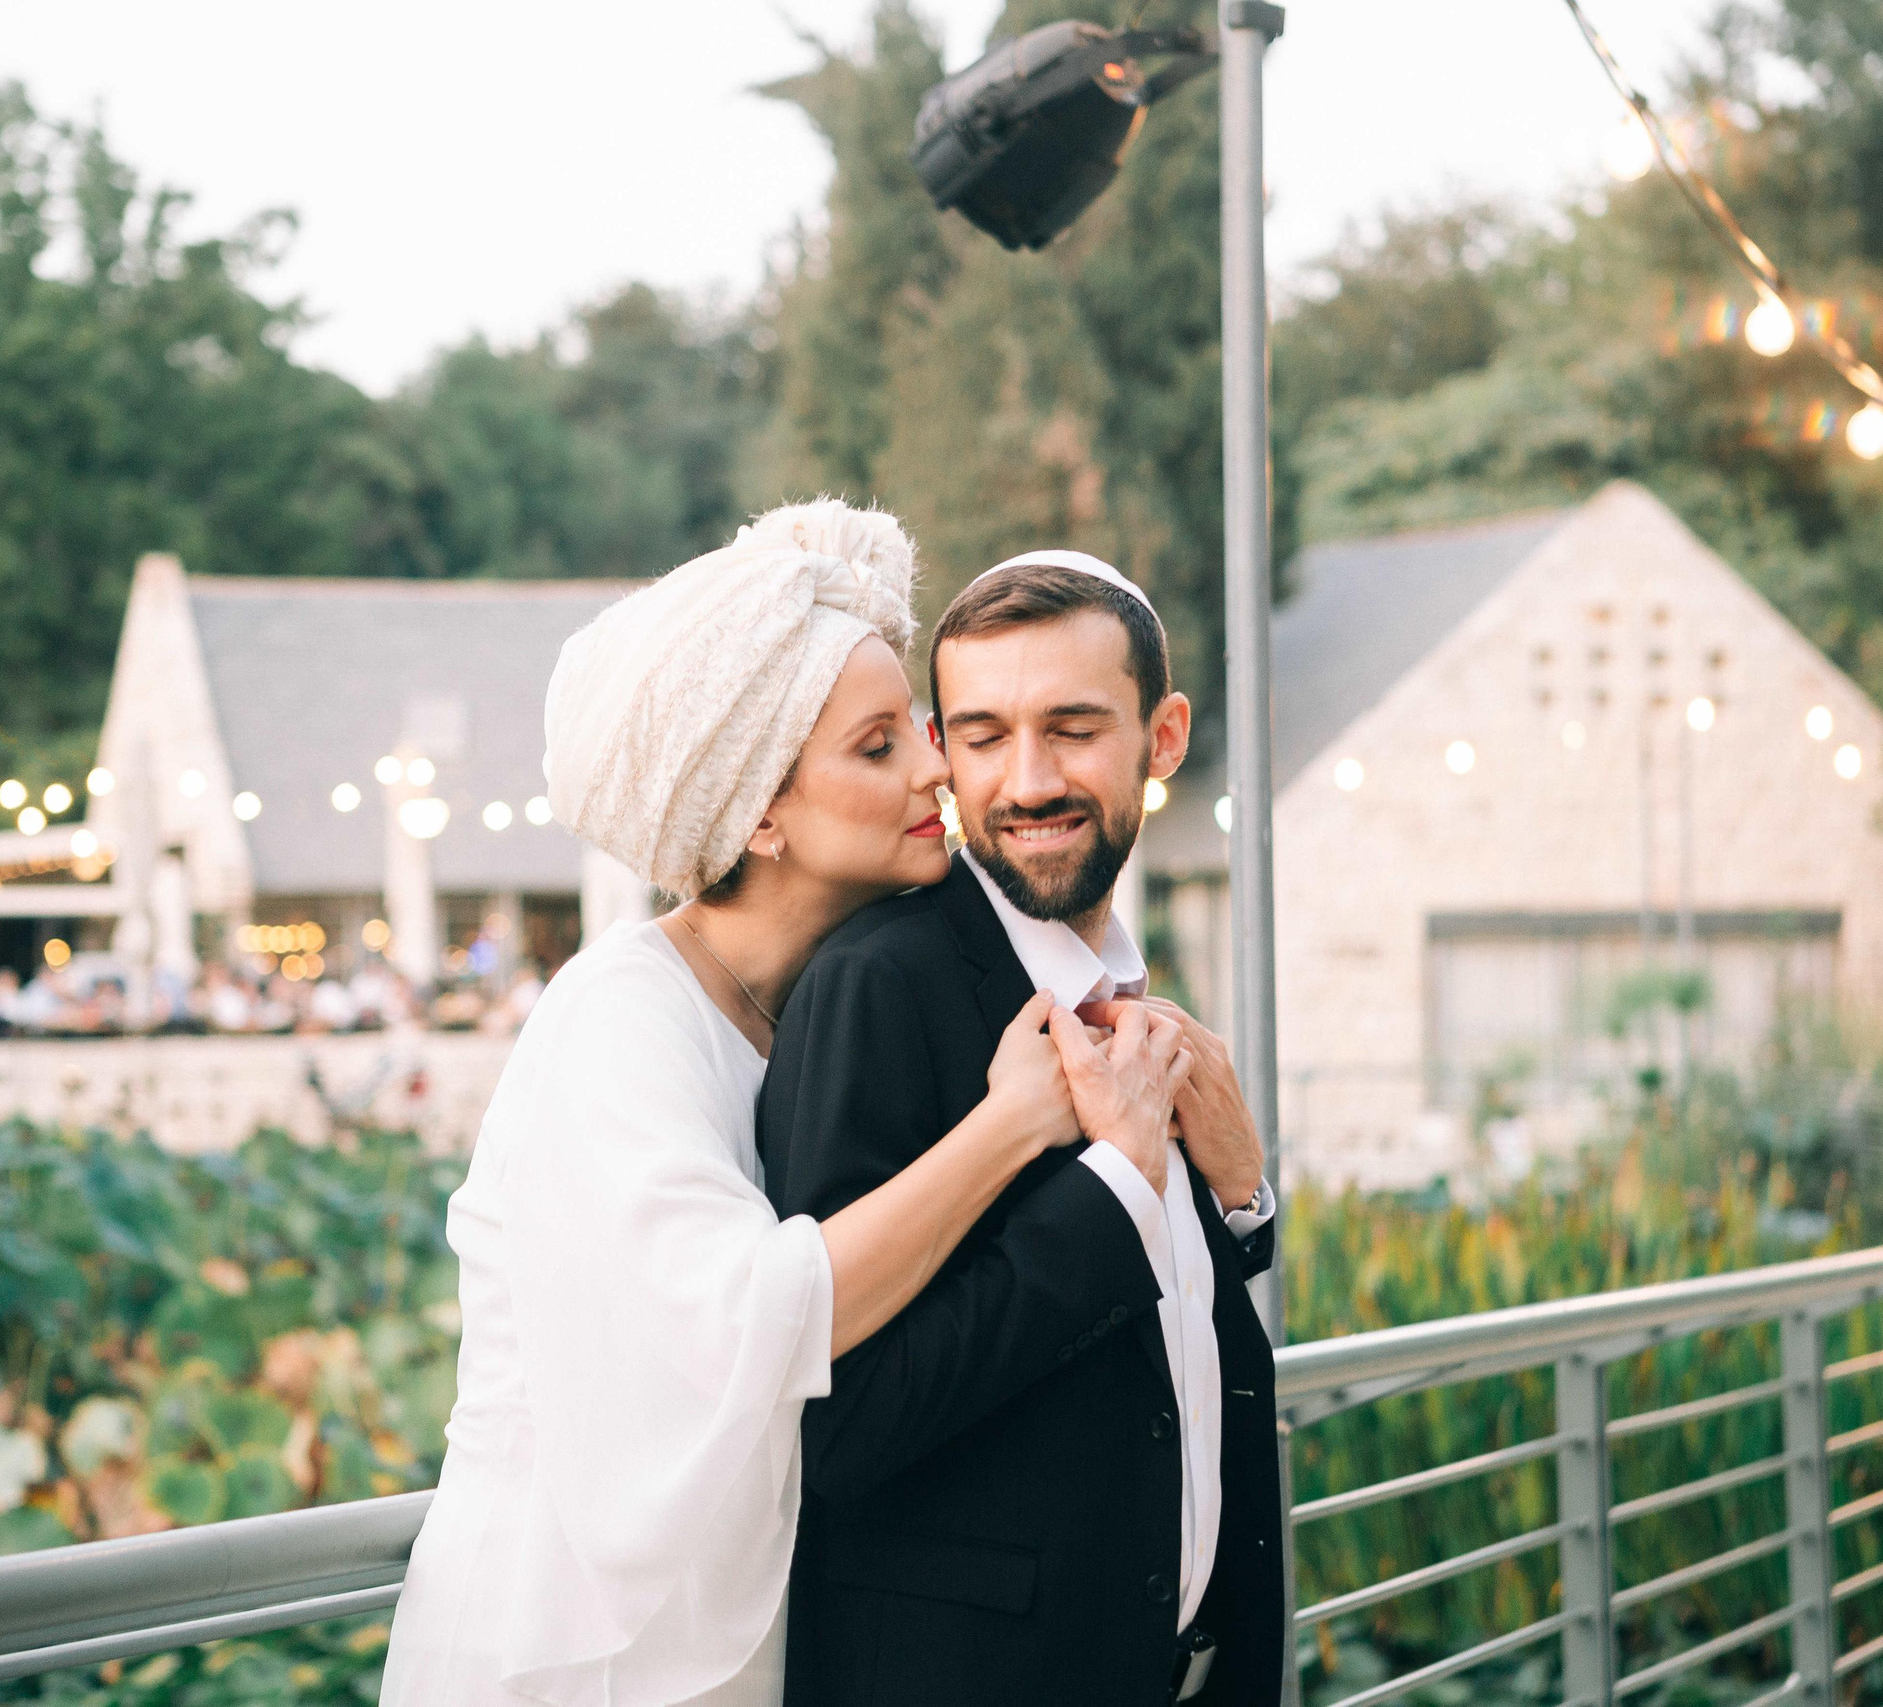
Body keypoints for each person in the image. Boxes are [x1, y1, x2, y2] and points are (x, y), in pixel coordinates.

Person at [380, 504, 1191, 1707]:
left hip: (751, 1635)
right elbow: (754, 1318)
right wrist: (1011, 1125)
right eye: (878, 748)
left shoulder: (810, 1001)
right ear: (759, 812)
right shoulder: (615, 1021)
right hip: (580, 1652)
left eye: (914, 731)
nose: (936, 771)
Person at [759, 552, 1285, 1707]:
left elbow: (1171, 1322)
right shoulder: (879, 986)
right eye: (985, 735)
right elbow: (835, 1432)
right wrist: (1111, 1190)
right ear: (943, 748)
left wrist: (1243, 1202)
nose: (1026, 779)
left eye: (1074, 728)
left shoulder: (1133, 994)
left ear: (1163, 736)